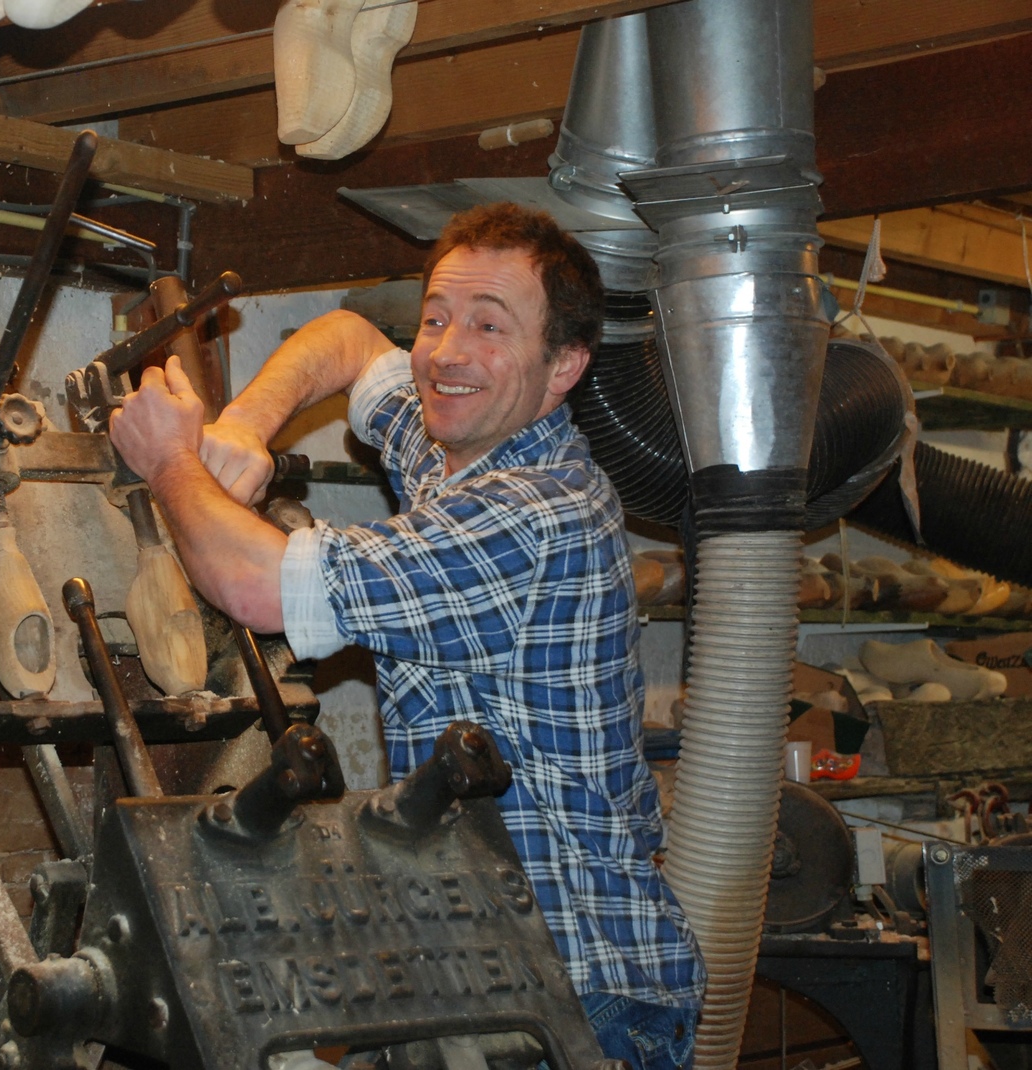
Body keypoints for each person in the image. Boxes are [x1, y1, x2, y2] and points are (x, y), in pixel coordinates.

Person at [108, 203, 704, 1069]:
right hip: (491, 971)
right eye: (435, 319)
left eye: (489, 327)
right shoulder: (453, 449)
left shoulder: (535, 511)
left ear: (564, 364)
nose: (448, 351)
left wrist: (172, 461)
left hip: (578, 996)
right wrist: (244, 425)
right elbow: (348, 340)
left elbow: (256, 585)